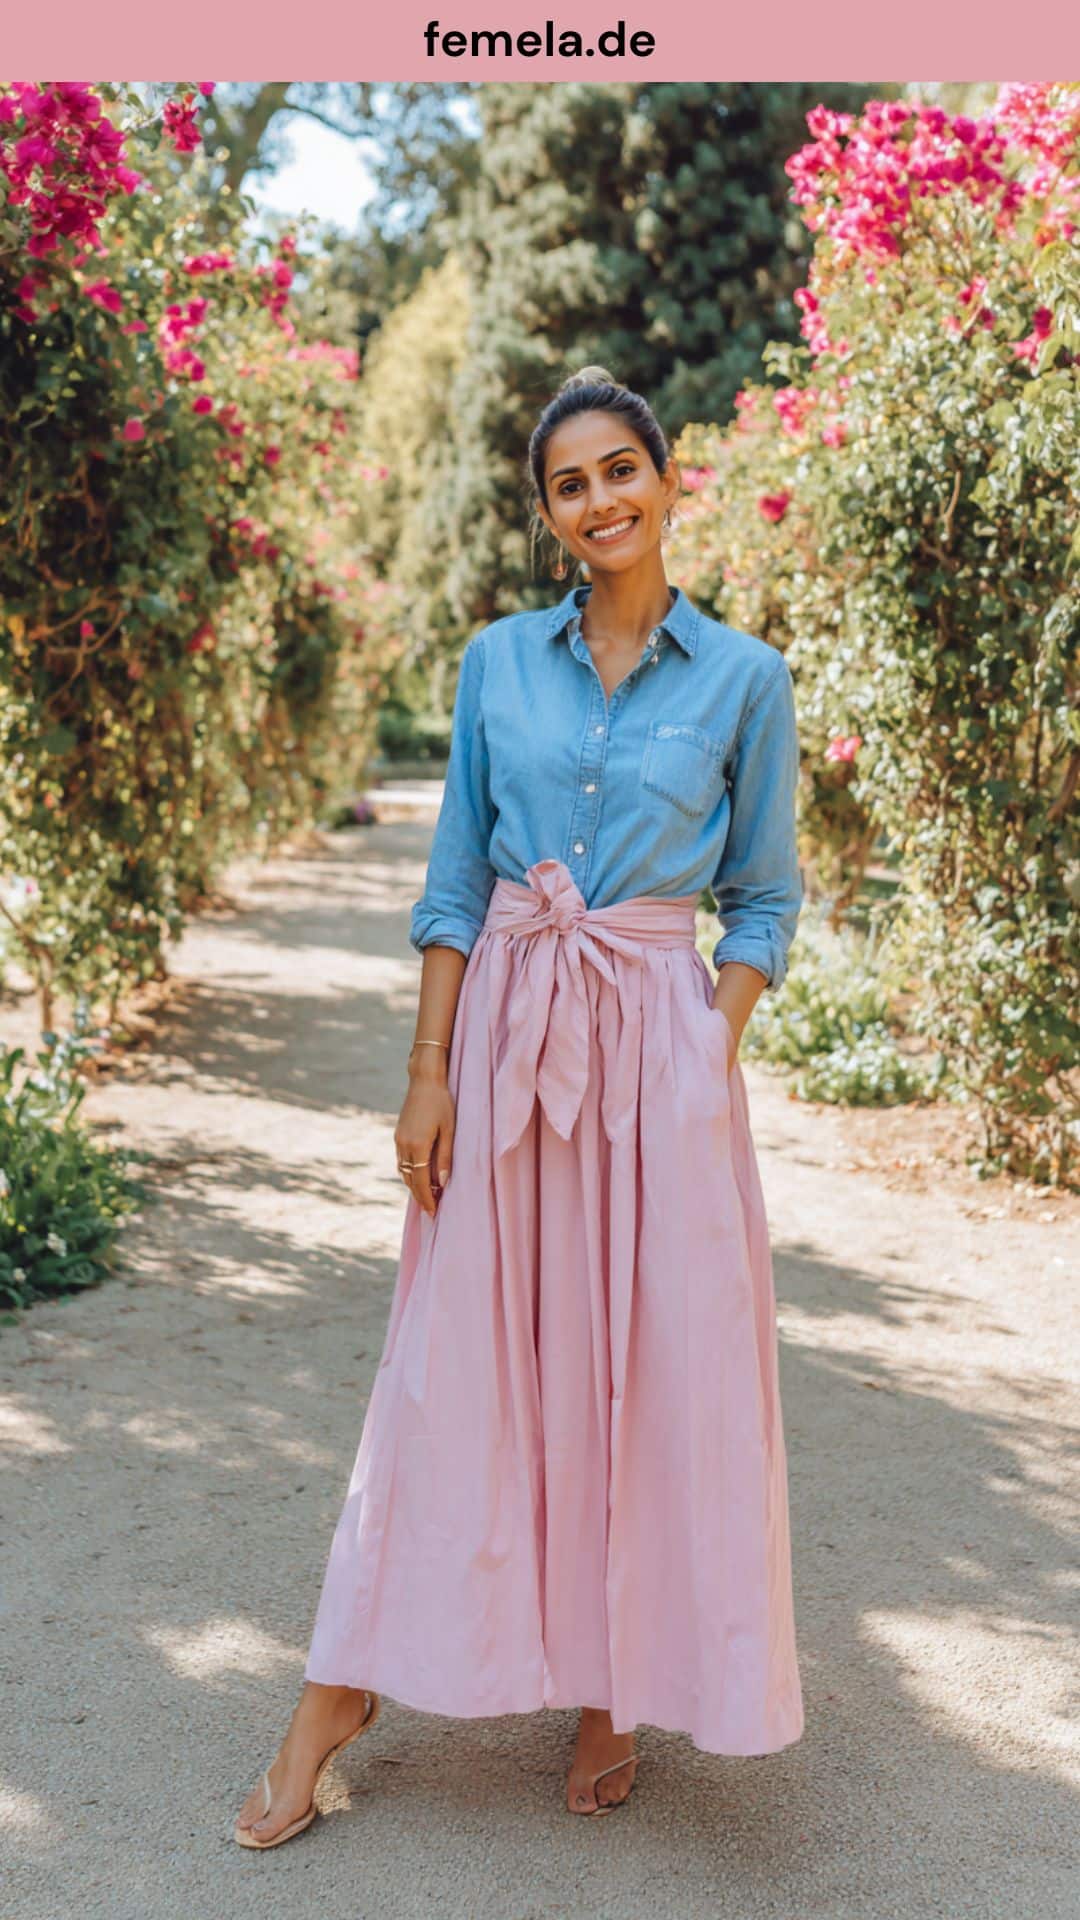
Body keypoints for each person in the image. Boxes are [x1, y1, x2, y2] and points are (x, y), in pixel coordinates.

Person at [234, 366, 805, 1848]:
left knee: (645, 1371)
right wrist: (426, 1070)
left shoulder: (744, 678)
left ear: (670, 481)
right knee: (455, 1360)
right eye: (571, 482)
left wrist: (706, 1046)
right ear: (547, 511)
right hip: (503, 1046)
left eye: (624, 470)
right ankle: (339, 1689)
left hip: (658, 1058)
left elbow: (763, 897)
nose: (602, 500)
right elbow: (452, 886)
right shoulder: (499, 662)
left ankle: (614, 1685)